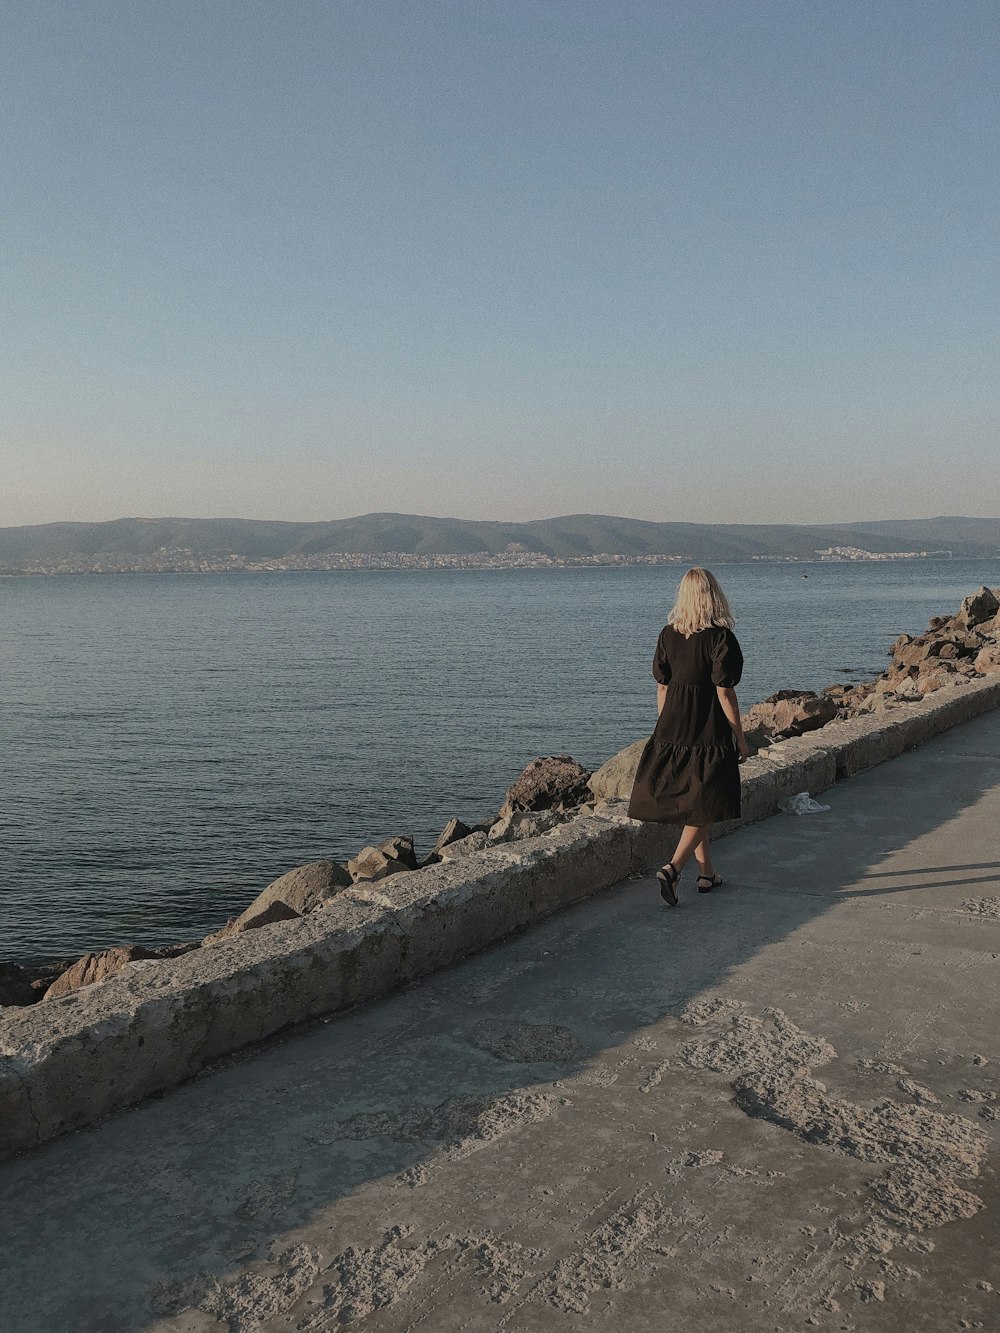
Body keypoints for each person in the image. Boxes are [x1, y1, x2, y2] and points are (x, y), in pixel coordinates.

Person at [627, 567, 750, 905]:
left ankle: (707, 873)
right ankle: (673, 868)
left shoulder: (668, 635)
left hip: (672, 726)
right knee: (708, 800)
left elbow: (662, 686)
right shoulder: (721, 638)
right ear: (713, 596)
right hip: (707, 729)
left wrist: (665, 727)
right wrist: (740, 737)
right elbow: (725, 693)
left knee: (700, 802)